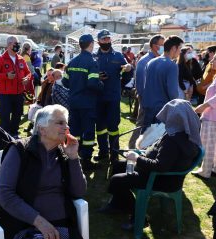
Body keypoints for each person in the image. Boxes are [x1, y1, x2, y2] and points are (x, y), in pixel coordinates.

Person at [0, 104, 87, 239]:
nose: (66, 128)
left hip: (61, 224)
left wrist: (74, 157)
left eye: (67, 123)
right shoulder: (20, 150)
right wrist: (39, 222)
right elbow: (5, 193)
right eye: (60, 123)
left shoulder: (63, 154)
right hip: (24, 224)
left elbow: (79, 191)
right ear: (42, 129)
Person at [99, 99, 201, 229]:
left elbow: (160, 166)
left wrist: (137, 158)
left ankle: (138, 217)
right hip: (160, 174)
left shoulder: (173, 141)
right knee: (118, 165)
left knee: (116, 180)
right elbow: (162, 158)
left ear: (174, 118)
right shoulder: (185, 132)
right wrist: (143, 154)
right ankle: (117, 203)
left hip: (159, 179)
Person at [62, 34, 103, 169]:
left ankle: (75, 156)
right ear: (91, 44)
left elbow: (65, 82)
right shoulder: (92, 62)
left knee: (75, 131)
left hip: (73, 102)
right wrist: (101, 84)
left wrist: (77, 85)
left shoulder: (72, 62)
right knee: (88, 133)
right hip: (87, 103)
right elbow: (92, 84)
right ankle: (86, 160)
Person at [94, 29, 131, 164]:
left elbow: (127, 70)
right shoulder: (93, 56)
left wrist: (127, 68)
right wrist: (96, 77)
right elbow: (88, 75)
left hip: (113, 97)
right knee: (100, 127)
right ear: (99, 41)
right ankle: (103, 151)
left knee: (113, 126)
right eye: (104, 39)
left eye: (108, 39)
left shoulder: (118, 56)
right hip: (98, 97)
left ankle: (114, 153)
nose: (107, 41)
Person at [193, 48, 216, 179]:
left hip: (213, 115)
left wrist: (203, 107)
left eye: (215, 59)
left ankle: (205, 171)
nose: (212, 60)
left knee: (208, 143)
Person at [128, 35, 165, 149]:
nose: (164, 47)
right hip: (147, 101)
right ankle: (131, 150)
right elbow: (140, 85)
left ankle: (145, 149)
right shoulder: (145, 61)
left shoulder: (160, 59)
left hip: (157, 102)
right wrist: (146, 102)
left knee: (152, 127)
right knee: (142, 125)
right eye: (162, 45)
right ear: (154, 46)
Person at [0, 36, 31, 138]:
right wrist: (6, 76)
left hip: (19, 93)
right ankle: (4, 135)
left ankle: (14, 133)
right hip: (5, 94)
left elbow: (28, 73)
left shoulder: (21, 59)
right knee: (5, 116)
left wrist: (27, 79)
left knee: (17, 115)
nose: (17, 45)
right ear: (8, 45)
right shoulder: (1, 59)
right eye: (15, 43)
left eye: (18, 43)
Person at [141, 35, 184, 131]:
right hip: (162, 110)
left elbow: (146, 86)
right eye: (180, 48)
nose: (180, 51)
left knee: (144, 139)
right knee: (157, 142)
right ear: (174, 48)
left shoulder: (151, 62)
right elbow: (173, 93)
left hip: (147, 106)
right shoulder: (172, 65)